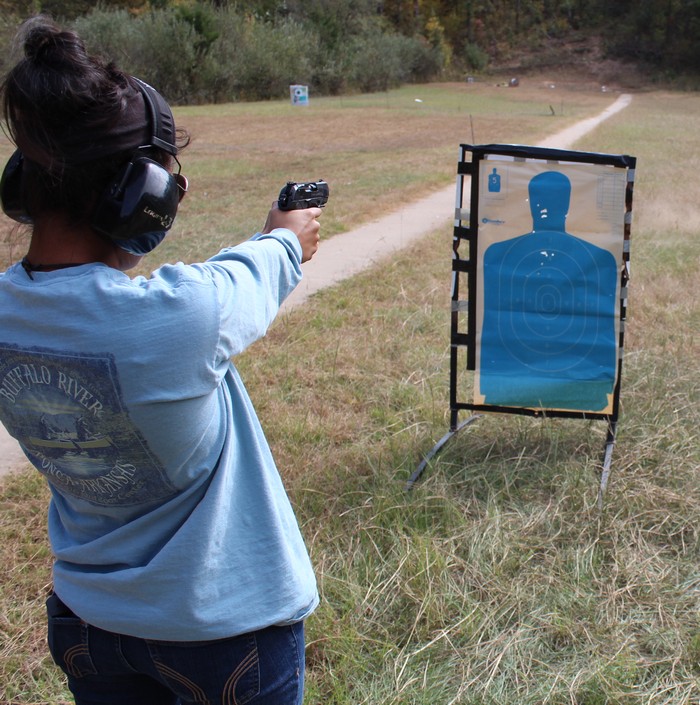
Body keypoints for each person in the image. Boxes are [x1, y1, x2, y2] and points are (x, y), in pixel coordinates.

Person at [0, 15, 321, 705]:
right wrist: (287, 233)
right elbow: (265, 264)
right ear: (136, 196)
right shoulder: (184, 315)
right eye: (169, 183)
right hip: (224, 633)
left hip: (90, 622)